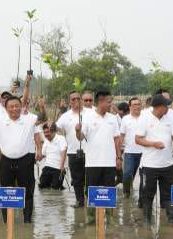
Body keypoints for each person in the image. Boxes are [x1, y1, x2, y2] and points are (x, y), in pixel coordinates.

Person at [0, 95, 42, 223]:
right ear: (6, 108)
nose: (14, 108)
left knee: (28, 192)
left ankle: (27, 222)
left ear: (21, 107)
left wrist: (42, 107)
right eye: (11, 106)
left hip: (25, 161)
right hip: (6, 162)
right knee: (6, 192)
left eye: (17, 106)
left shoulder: (29, 119)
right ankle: (7, 222)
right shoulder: (0, 120)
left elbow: (43, 119)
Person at [76, 91, 121, 221]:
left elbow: (117, 139)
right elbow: (80, 137)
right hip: (92, 162)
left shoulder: (113, 118)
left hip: (109, 163)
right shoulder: (87, 117)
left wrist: (119, 157)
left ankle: (110, 219)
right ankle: (90, 219)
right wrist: (77, 130)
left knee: (110, 192)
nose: (111, 104)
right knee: (91, 192)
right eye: (109, 102)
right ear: (100, 102)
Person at [136, 94, 173, 224]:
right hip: (150, 165)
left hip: (167, 164)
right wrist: (153, 144)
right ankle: (147, 221)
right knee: (148, 194)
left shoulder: (170, 118)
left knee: (169, 194)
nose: (168, 108)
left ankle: (171, 221)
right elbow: (137, 139)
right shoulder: (144, 118)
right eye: (166, 106)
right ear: (159, 107)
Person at [56, 90, 89, 207]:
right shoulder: (65, 116)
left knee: (90, 177)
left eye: (78, 98)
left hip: (90, 152)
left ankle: (90, 199)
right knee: (76, 178)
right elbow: (56, 128)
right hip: (73, 152)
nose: (76, 101)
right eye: (73, 99)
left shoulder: (91, 113)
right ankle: (79, 201)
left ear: (81, 99)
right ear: (69, 101)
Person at [120, 97, 144, 200]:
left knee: (143, 175)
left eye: (138, 104)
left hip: (144, 152)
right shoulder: (125, 119)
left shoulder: (145, 118)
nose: (137, 106)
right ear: (130, 107)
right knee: (127, 174)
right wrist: (119, 152)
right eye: (134, 104)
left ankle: (142, 197)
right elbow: (122, 135)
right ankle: (126, 194)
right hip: (129, 151)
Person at [39, 122, 67, 190]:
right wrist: (37, 156)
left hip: (58, 168)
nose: (46, 134)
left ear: (53, 132)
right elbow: (43, 154)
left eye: (47, 132)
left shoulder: (61, 138)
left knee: (55, 188)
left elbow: (64, 151)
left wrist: (62, 166)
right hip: (47, 167)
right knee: (42, 186)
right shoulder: (46, 141)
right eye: (44, 132)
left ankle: (60, 185)